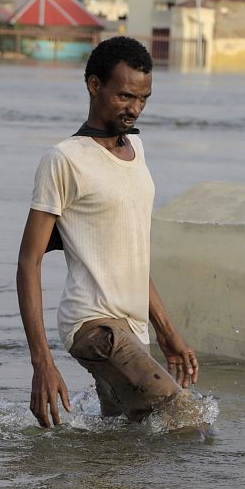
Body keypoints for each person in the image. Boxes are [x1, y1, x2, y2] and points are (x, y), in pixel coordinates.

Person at [16, 37, 199, 428]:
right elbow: (28, 261)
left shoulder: (137, 150)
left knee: (121, 445)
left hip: (132, 329)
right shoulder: (64, 160)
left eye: (144, 98)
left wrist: (166, 332)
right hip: (94, 326)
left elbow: (132, 256)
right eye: (125, 96)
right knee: (186, 421)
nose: (135, 108)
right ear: (94, 85)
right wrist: (41, 361)